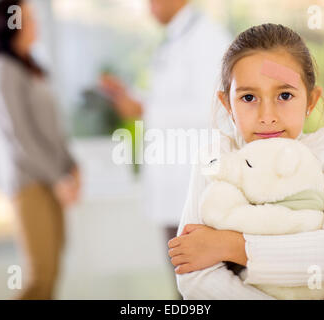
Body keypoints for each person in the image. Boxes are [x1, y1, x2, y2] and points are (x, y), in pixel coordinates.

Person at [167, 23, 324, 299]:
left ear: (311, 100)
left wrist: (232, 245)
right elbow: (192, 274)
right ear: (227, 104)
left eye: (284, 95)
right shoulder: (216, 160)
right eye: (248, 97)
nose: (267, 116)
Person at [99, 0, 230, 299]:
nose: (148, 5)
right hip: (173, 186)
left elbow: (210, 107)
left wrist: (143, 107)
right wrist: (129, 96)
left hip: (192, 186)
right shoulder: (175, 38)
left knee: (201, 286)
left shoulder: (207, 37)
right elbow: (167, 101)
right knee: (183, 283)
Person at [0, 0, 80, 299]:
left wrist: (71, 166)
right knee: (39, 276)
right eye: (29, 18)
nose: (35, 24)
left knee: (52, 274)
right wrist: (59, 178)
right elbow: (20, 136)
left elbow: (52, 126)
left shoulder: (30, 66)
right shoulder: (1, 70)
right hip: (29, 183)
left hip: (52, 179)